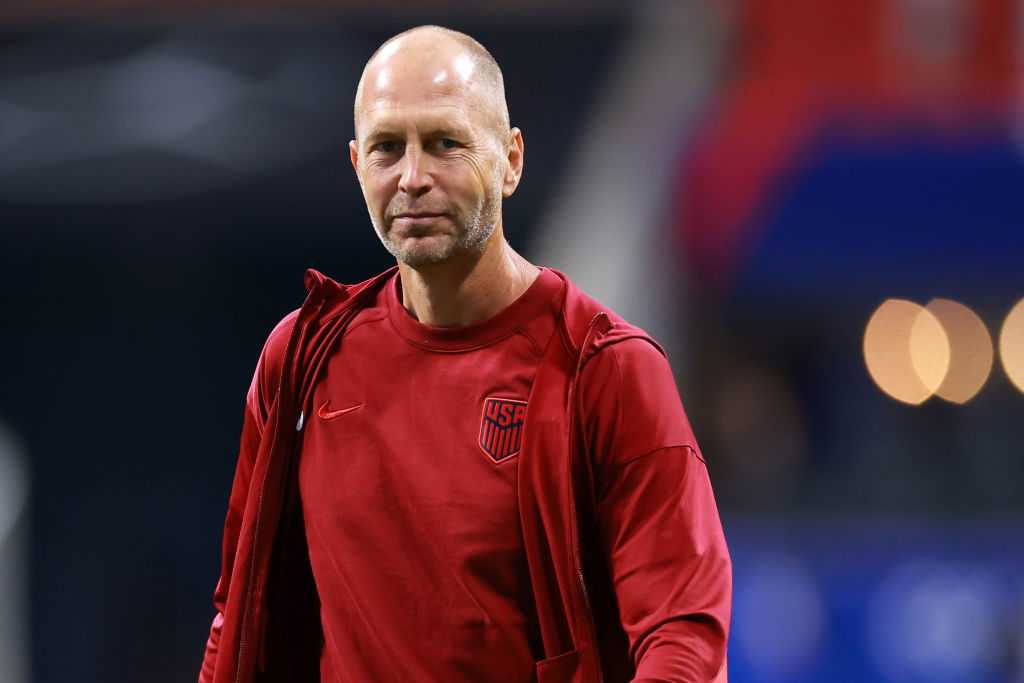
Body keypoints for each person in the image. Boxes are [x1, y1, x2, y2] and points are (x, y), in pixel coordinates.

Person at [200, 25, 731, 683]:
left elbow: (681, 631)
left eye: (445, 143)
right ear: (356, 164)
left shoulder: (607, 369)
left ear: (511, 159)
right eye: (387, 148)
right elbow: (238, 619)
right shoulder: (302, 358)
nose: (413, 178)